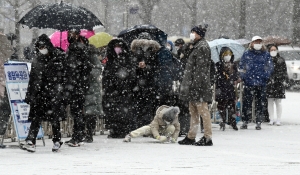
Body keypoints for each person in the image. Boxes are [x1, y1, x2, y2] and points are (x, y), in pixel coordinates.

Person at [22, 34, 66, 152]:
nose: (42, 49)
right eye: (39, 47)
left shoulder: (59, 58)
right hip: (39, 93)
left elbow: (64, 77)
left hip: (54, 93)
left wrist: (63, 91)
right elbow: (32, 79)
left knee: (54, 118)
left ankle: (57, 140)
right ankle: (31, 140)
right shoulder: (37, 60)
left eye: (43, 46)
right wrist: (30, 94)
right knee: (36, 117)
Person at [178, 24, 213, 146]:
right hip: (193, 85)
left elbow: (201, 69)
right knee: (193, 112)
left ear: (200, 34)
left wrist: (196, 85)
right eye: (191, 31)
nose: (192, 34)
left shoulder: (202, 47)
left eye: (194, 32)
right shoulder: (195, 46)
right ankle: (191, 136)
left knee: (203, 111)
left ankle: (207, 137)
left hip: (199, 86)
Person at [102, 38, 136, 138]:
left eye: (119, 46)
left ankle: (123, 129)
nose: (117, 48)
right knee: (112, 111)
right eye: (115, 46)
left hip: (123, 90)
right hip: (111, 90)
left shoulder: (127, 58)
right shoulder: (110, 58)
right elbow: (106, 73)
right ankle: (114, 130)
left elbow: (131, 73)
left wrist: (124, 80)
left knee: (123, 111)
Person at [64, 29, 93, 147]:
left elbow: (85, 68)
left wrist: (76, 78)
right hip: (76, 84)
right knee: (76, 111)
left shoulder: (78, 49)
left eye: (72, 33)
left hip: (77, 85)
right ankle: (78, 135)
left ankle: (78, 135)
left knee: (76, 111)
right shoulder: (75, 48)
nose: (70, 36)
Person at [238, 36, 274, 130]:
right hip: (249, 82)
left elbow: (270, 67)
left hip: (261, 83)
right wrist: (244, 77)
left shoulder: (265, 54)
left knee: (260, 103)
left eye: (259, 42)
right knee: (247, 103)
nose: (257, 44)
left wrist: (265, 76)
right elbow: (241, 67)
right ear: (252, 43)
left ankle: (258, 122)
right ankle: (245, 121)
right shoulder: (246, 54)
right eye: (256, 42)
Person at [131, 33, 161, 128]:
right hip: (143, 82)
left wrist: (146, 67)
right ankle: (143, 124)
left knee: (144, 104)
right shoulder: (151, 51)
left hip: (146, 82)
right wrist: (139, 66)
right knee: (143, 104)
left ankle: (143, 125)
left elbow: (156, 67)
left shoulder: (152, 52)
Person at [83, 45, 103, 143]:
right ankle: (84, 133)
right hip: (84, 88)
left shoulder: (92, 57)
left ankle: (89, 133)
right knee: (84, 113)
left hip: (92, 89)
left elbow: (98, 70)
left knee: (90, 113)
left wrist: (88, 71)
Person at [215, 47, 239, 131]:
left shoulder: (234, 65)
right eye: (225, 54)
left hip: (230, 88)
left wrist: (231, 76)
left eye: (229, 54)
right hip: (221, 88)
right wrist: (222, 73)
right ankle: (223, 121)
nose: (227, 56)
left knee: (232, 107)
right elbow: (217, 76)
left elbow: (236, 76)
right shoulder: (218, 65)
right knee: (221, 106)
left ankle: (233, 122)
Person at [266, 44, 288, 126]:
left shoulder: (281, 60)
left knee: (278, 102)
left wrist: (280, 78)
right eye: (271, 50)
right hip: (269, 83)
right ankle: (271, 119)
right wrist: (269, 78)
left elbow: (284, 71)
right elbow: (265, 71)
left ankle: (278, 119)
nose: (273, 51)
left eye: (274, 49)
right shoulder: (267, 60)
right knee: (270, 101)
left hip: (278, 83)